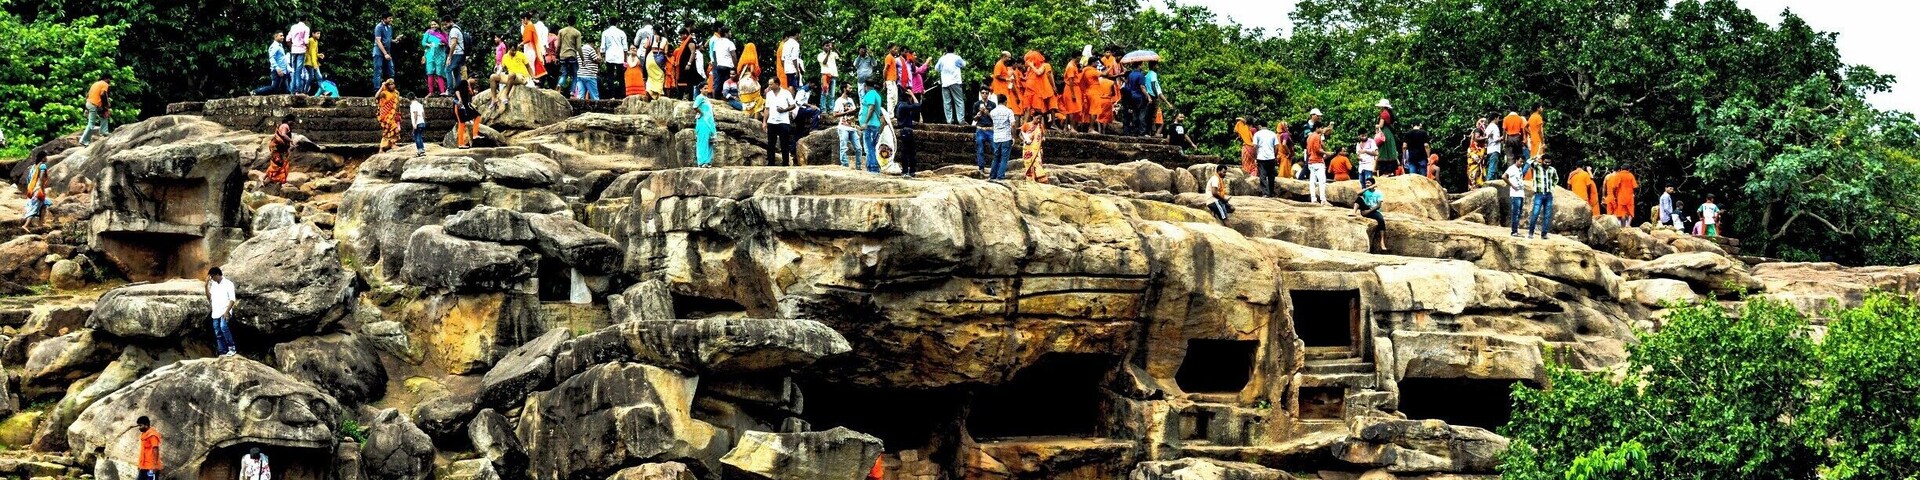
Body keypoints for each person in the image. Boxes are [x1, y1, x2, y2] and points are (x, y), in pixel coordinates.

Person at [764, 82, 798, 166]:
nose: (769, 86)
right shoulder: (769, 94)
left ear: (777, 84)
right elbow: (767, 108)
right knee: (771, 143)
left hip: (783, 121)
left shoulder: (786, 93)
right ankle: (771, 163)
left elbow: (793, 105)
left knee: (784, 143)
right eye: (769, 84)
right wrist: (764, 121)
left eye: (771, 84)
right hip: (772, 121)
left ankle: (785, 163)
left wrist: (784, 110)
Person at [206, 266, 238, 356]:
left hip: (225, 310)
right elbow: (209, 298)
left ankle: (232, 348)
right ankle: (222, 351)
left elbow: (232, 299)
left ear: (217, 274)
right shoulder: (214, 284)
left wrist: (227, 311)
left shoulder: (228, 284)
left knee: (224, 328)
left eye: (212, 276)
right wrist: (206, 286)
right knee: (217, 331)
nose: (211, 278)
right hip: (216, 311)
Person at [1525, 156, 1558, 239]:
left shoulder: (1552, 169)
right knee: (1535, 213)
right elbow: (1528, 161)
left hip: (1548, 194)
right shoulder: (1537, 167)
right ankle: (1531, 233)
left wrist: (1552, 187)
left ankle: (1544, 234)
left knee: (1547, 215)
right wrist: (1537, 157)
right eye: (1545, 162)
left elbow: (1556, 178)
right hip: (1539, 194)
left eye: (1549, 162)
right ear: (1542, 161)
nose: (1547, 164)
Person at [859, 80, 886, 172]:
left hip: (870, 125)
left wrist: (865, 122)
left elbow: (871, 108)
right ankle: (870, 166)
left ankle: (873, 168)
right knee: (873, 147)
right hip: (875, 125)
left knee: (869, 147)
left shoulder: (870, 94)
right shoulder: (877, 95)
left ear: (865, 86)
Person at [834, 87, 864, 168]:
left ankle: (858, 166)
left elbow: (853, 111)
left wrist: (855, 111)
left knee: (859, 148)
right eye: (849, 88)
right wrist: (847, 112)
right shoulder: (839, 101)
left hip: (852, 127)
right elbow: (835, 114)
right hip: (843, 127)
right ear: (844, 89)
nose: (851, 89)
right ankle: (845, 165)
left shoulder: (851, 100)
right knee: (843, 148)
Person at [1355, 177, 1387, 251]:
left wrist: (1368, 211)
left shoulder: (1378, 193)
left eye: (1368, 183)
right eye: (1366, 183)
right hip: (1366, 208)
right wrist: (1367, 188)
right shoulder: (1365, 191)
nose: (1367, 184)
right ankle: (1354, 212)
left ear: (1373, 183)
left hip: (1374, 210)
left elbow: (1378, 206)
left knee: (1381, 220)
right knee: (1359, 199)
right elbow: (1358, 194)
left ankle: (1382, 242)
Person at [936, 48, 966, 124]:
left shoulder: (942, 59)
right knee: (959, 101)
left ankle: (949, 120)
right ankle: (961, 120)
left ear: (946, 50)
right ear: (954, 50)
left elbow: (936, 68)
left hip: (945, 83)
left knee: (947, 102)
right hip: (955, 81)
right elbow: (964, 64)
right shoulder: (957, 58)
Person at [79, 75, 112, 146]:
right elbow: (103, 95)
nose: (110, 82)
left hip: (90, 103)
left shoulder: (95, 84)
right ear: (105, 79)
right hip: (93, 104)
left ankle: (104, 131)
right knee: (91, 124)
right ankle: (83, 140)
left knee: (104, 115)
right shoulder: (104, 84)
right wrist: (106, 105)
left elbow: (87, 95)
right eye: (109, 79)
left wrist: (104, 108)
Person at [897, 92, 924, 177]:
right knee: (910, 152)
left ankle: (906, 170)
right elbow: (917, 106)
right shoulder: (904, 106)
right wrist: (912, 95)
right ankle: (910, 171)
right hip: (907, 130)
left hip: (904, 130)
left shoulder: (900, 105)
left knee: (905, 151)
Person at [989, 95, 1015, 180]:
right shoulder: (1009, 111)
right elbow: (1013, 124)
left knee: (996, 157)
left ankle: (992, 175)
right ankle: (1000, 176)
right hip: (1006, 137)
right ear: (1005, 101)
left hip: (996, 137)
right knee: (1004, 158)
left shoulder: (992, 112)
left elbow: (993, 124)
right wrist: (1013, 136)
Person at [22, 153, 49, 232]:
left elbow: (29, 179)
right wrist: (41, 189)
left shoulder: (33, 167)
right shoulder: (42, 166)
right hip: (38, 189)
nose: (47, 158)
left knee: (43, 206)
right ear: (42, 158)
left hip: (32, 188)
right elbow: (41, 178)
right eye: (45, 157)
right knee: (35, 207)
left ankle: (40, 224)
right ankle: (26, 225)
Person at [1252, 121, 1280, 197]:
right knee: (1271, 176)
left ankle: (1265, 193)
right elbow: (1277, 146)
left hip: (1261, 157)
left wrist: (1255, 156)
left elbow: (1254, 146)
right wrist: (1275, 154)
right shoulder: (1272, 134)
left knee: (1262, 175)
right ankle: (1271, 192)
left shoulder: (1257, 134)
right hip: (1271, 157)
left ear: (1260, 126)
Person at [264, 117, 295, 185]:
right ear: (288, 120)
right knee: (278, 162)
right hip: (275, 146)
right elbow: (283, 135)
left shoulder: (284, 125)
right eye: (292, 121)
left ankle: (270, 177)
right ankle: (269, 178)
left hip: (278, 147)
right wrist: (291, 140)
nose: (293, 123)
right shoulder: (285, 125)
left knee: (279, 162)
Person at [706, 27, 737, 95]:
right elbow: (733, 55)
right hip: (728, 66)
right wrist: (735, 66)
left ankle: (717, 98)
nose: (730, 34)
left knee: (718, 83)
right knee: (729, 84)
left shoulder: (717, 42)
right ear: (726, 33)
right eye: (729, 32)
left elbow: (714, 54)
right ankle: (728, 100)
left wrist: (717, 64)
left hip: (719, 66)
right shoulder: (730, 43)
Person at [452, 75, 480, 148]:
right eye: (475, 80)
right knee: (461, 124)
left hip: (466, 106)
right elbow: (456, 90)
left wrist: (472, 90)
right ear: (471, 78)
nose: (476, 82)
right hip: (459, 105)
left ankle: (475, 134)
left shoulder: (469, 86)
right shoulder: (463, 82)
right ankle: (461, 143)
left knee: (477, 115)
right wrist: (459, 98)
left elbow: (471, 95)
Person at [972, 90, 996, 175]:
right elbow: (974, 119)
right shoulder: (976, 104)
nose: (984, 95)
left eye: (986, 93)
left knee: (995, 149)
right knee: (980, 149)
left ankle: (995, 168)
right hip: (980, 129)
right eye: (983, 93)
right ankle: (981, 168)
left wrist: (988, 113)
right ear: (980, 94)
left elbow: (995, 118)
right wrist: (978, 115)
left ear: (988, 94)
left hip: (990, 129)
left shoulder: (992, 105)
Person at [422, 21, 448, 95]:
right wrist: (428, 44)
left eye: (435, 24)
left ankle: (442, 92)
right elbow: (423, 42)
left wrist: (443, 44)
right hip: (430, 55)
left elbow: (447, 43)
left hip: (440, 55)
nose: (433, 26)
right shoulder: (428, 32)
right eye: (432, 24)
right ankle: (431, 92)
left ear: (438, 25)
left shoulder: (442, 33)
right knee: (430, 73)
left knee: (440, 73)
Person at [601, 24, 628, 96]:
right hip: (619, 56)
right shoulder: (621, 32)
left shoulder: (605, 32)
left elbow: (603, 47)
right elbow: (625, 47)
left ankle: (611, 95)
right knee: (621, 77)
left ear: (609, 23)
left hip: (609, 56)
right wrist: (625, 59)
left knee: (610, 76)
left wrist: (603, 56)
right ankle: (623, 94)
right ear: (617, 23)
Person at [1305, 125, 1330, 204]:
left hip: (1311, 161)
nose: (1322, 129)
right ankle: (1323, 199)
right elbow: (1318, 149)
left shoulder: (1309, 137)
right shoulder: (1316, 136)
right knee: (1322, 181)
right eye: (1321, 128)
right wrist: (1327, 153)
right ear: (1317, 128)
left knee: (1312, 181)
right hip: (1317, 161)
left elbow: (1308, 150)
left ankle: (1313, 199)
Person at [372, 15, 397, 91]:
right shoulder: (379, 27)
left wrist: (394, 40)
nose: (391, 20)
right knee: (378, 70)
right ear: (384, 19)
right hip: (379, 51)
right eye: (389, 18)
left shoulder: (389, 27)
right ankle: (377, 89)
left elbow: (387, 39)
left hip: (387, 51)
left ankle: (391, 89)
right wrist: (385, 53)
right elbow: (378, 41)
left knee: (391, 70)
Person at [1505, 157, 1528, 236]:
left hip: (1521, 193)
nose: (1521, 163)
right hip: (1515, 194)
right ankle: (1514, 231)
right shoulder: (1511, 168)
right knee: (1515, 213)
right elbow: (1504, 176)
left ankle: (1516, 230)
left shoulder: (1520, 169)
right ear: (1516, 160)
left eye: (1522, 162)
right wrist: (1512, 185)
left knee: (1519, 213)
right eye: (1520, 162)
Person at [692, 91, 716, 167]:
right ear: (701, 89)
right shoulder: (699, 97)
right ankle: (702, 162)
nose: (706, 90)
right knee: (702, 141)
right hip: (703, 122)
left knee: (710, 141)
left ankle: (708, 161)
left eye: (707, 88)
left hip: (710, 122)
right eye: (704, 88)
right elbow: (695, 106)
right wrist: (701, 113)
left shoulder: (706, 99)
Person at [376, 80, 402, 151]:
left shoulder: (396, 93)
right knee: (392, 129)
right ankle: (384, 147)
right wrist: (382, 87)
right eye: (390, 84)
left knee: (391, 131)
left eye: (393, 84)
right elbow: (376, 96)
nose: (392, 85)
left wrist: (399, 114)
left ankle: (390, 145)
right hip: (385, 116)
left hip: (393, 115)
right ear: (387, 86)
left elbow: (397, 105)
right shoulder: (384, 93)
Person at [287, 18, 311, 94]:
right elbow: (306, 41)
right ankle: (298, 90)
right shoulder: (306, 28)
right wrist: (308, 49)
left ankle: (292, 90)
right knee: (298, 71)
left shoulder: (293, 27)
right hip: (301, 50)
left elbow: (288, 39)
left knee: (294, 70)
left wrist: (292, 47)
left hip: (294, 50)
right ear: (306, 19)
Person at [557, 23, 581, 95]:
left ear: (567, 22)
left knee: (564, 73)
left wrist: (557, 55)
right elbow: (579, 47)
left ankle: (559, 84)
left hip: (563, 56)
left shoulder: (561, 31)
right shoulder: (577, 32)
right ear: (575, 22)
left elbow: (558, 45)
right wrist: (582, 59)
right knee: (575, 74)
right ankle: (572, 91)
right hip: (572, 56)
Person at [1020, 115, 1046, 182]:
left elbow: (1042, 136)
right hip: (1028, 146)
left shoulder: (1040, 126)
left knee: (1037, 161)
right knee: (1028, 162)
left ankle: (1040, 178)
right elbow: (1020, 135)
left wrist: (1042, 138)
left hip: (1037, 147)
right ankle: (1030, 178)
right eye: (1037, 118)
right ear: (1033, 117)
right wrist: (1025, 139)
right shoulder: (1026, 125)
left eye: (1040, 119)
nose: (1038, 120)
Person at [1483, 115, 1504, 183]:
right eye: (1498, 118)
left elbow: (1486, 138)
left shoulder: (1488, 127)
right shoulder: (1495, 127)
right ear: (1495, 118)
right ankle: (1489, 182)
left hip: (1489, 149)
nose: (1498, 120)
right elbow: (1496, 139)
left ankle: (1492, 182)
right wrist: (1502, 137)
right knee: (1493, 167)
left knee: (1491, 167)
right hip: (1494, 149)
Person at [446, 18, 467, 85]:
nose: (445, 26)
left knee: (448, 69)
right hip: (461, 53)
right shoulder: (458, 28)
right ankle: (459, 90)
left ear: (451, 22)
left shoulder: (453, 30)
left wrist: (449, 56)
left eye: (446, 24)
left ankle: (450, 90)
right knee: (456, 72)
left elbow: (453, 43)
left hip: (457, 53)